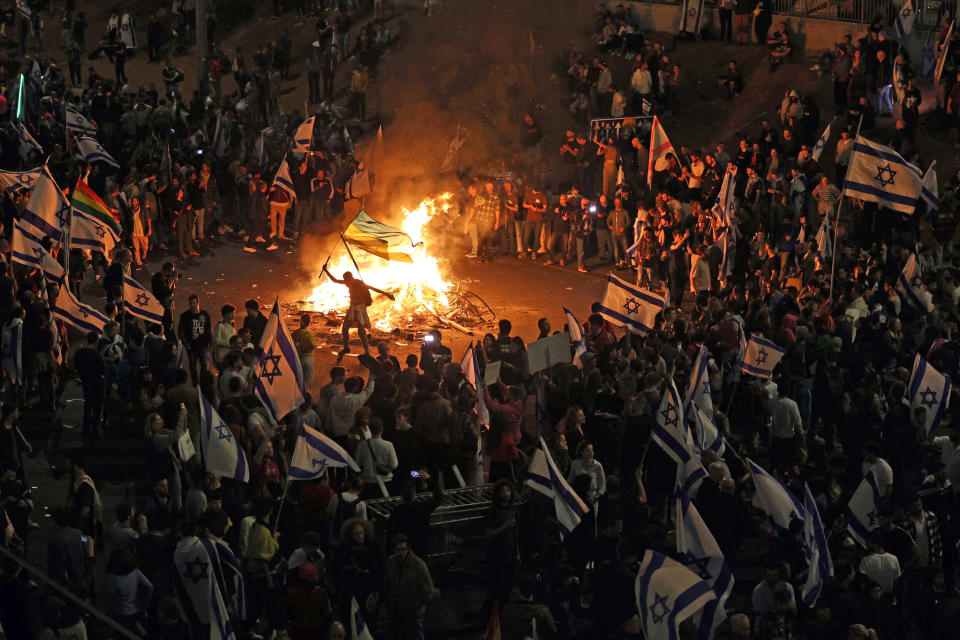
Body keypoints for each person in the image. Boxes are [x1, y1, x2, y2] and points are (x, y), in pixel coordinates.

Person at [322, 264, 395, 357]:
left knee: (361, 331)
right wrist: (326, 270)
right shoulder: (347, 282)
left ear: (351, 278)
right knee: (345, 329)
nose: (346, 282)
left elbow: (373, 288)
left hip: (360, 308)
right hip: (352, 307)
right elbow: (335, 280)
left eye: (347, 280)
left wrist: (387, 294)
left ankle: (367, 350)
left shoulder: (359, 283)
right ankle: (346, 347)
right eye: (345, 281)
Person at [380, 534, 435, 639]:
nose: (401, 553)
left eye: (403, 549)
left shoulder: (418, 565)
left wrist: (414, 606)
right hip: (395, 611)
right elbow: (386, 584)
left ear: (408, 549)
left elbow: (427, 591)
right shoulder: (390, 563)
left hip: (413, 613)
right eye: (398, 550)